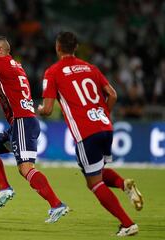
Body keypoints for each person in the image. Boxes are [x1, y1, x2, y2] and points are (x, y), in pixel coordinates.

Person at [38, 31, 143, 236]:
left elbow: (48, 109)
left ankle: (127, 224)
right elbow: (112, 94)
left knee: (94, 183)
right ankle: (123, 184)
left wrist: (39, 109)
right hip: (105, 126)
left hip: (86, 132)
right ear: (76, 47)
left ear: (57, 47)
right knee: (97, 170)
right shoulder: (90, 68)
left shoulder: (53, 71)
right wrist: (102, 115)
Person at [0, 36, 69, 223]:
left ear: (0, 50)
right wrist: (1, 95)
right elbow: (15, 85)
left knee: (25, 169)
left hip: (23, 122)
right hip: (20, 123)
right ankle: (5, 187)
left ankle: (57, 205)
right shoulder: (16, 65)